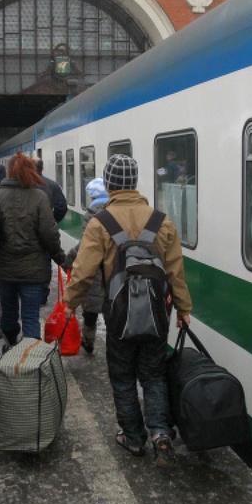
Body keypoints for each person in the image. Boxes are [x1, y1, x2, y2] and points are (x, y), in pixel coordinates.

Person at [64, 154, 192, 468]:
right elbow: (175, 271)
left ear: (109, 184)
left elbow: (83, 273)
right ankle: (161, 433)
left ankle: (133, 438)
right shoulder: (161, 220)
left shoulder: (100, 223)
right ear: (134, 183)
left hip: (118, 314)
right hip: (156, 313)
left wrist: (70, 304)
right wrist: (183, 309)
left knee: (122, 376)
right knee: (154, 374)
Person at [0, 152, 65, 345]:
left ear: (8, 171)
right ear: (31, 171)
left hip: (4, 268)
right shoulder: (39, 197)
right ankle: (30, 360)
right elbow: (50, 234)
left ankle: (11, 349)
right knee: (31, 317)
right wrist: (60, 258)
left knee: (8, 313)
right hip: (33, 270)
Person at [63, 177, 108, 353]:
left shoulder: (92, 214)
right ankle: (115, 345)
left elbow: (86, 245)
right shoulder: (117, 211)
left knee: (90, 312)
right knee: (111, 310)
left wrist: (69, 258)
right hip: (113, 270)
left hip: (94, 270)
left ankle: (88, 341)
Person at [35, 157, 68, 305]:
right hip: (45, 234)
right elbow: (61, 207)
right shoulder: (52, 185)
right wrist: (51, 222)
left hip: (24, 234)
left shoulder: (21, 184)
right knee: (45, 262)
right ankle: (42, 295)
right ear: (42, 168)